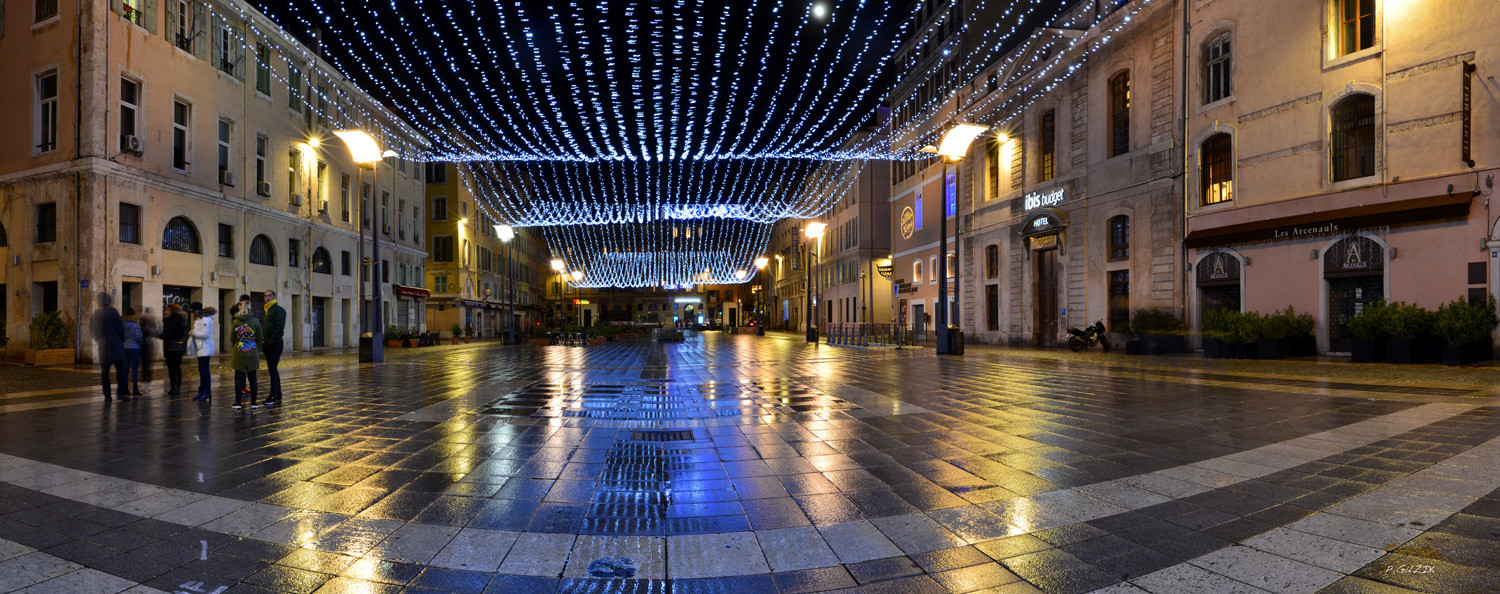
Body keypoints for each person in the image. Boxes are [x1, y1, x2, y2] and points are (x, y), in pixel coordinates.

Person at [91, 293, 128, 401]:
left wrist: (99, 340)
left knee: (105, 373)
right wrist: (122, 339)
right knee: (120, 371)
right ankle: (121, 394)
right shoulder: (113, 311)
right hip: (116, 345)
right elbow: (120, 327)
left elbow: (93, 331)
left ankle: (107, 395)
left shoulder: (96, 313)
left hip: (103, 347)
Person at [228, 299, 263, 410]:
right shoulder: (255, 321)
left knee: (239, 377)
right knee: (253, 378)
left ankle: (238, 403)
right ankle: (253, 402)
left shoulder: (236, 321)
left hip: (239, 353)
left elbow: (232, 338)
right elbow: (261, 338)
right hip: (252, 352)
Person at [261, 290, 286, 407]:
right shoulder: (267, 310)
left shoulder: (278, 310)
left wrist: (270, 341)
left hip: (275, 344)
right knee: (273, 370)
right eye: (265, 296)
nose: (267, 298)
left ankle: (272, 396)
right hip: (267, 343)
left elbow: (279, 327)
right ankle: (278, 395)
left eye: (269, 295)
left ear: (274, 296)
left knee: (272, 369)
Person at [188, 302, 217, 401]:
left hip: (206, 348)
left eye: (193, 311)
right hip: (201, 348)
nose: (193, 314)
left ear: (197, 310)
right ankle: (201, 391)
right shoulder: (199, 319)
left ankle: (207, 392)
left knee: (205, 371)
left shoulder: (205, 319)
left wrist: (193, 332)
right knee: (201, 370)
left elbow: (206, 334)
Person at [161, 303, 189, 395]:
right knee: (170, 368)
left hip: (176, 348)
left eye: (168, 310)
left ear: (172, 310)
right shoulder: (166, 320)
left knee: (176, 367)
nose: (166, 311)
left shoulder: (180, 319)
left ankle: (177, 387)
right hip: (168, 346)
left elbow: (179, 333)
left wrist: (165, 336)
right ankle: (172, 387)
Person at [122, 307, 144, 396]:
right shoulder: (136, 324)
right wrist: (142, 343)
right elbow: (139, 337)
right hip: (135, 348)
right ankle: (135, 390)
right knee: (134, 369)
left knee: (126, 369)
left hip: (124, 348)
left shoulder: (122, 324)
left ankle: (125, 389)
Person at [139, 307, 159, 389]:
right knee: (144, 364)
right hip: (143, 344)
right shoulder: (142, 321)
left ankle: (148, 382)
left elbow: (155, 332)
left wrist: (149, 329)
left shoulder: (152, 321)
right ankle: (144, 381)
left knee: (148, 365)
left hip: (149, 344)